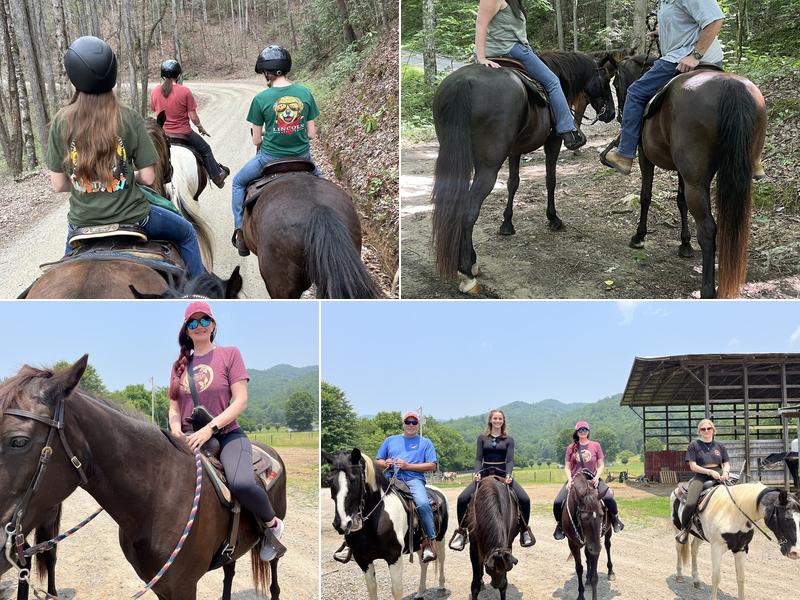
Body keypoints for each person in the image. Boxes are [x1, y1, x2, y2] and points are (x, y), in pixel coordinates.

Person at [45, 36, 205, 278]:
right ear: (112, 72)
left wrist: (84, 183)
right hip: (135, 219)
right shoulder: (128, 117)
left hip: (81, 226)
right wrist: (125, 178)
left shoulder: (60, 120)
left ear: (74, 75)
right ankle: (202, 292)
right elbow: (150, 178)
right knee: (186, 232)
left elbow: (58, 185)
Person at [168, 301, 284, 561]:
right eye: (193, 322)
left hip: (226, 434)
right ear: (186, 329)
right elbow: (174, 407)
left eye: (204, 320)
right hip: (187, 437)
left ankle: (271, 526)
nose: (199, 326)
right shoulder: (178, 366)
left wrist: (210, 429)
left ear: (213, 325)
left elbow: (240, 400)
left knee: (241, 483)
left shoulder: (230, 354)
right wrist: (175, 430)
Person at [602, 0, 725, 175]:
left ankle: (625, 154)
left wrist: (695, 55)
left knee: (635, 92)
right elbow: (686, 23)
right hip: (698, 56)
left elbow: (715, 20)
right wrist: (662, 33)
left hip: (683, 59)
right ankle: (753, 158)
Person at [230, 45, 322, 257]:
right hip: (303, 158)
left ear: (266, 72)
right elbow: (311, 135)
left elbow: (255, 140)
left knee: (237, 182)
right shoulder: (305, 92)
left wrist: (271, 133)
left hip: (268, 159)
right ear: (286, 67)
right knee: (326, 185)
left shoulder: (261, 99)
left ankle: (240, 231)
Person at [475, 0, 586, 151]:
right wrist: (481, 58)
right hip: (513, 50)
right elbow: (481, 23)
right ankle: (568, 130)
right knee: (553, 81)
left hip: (506, 48)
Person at [333, 410, 439, 563]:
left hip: (413, 480)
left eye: (414, 422)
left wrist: (408, 466)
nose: (410, 425)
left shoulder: (425, 443)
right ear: (403, 424)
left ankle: (428, 540)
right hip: (389, 478)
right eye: (407, 422)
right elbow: (378, 461)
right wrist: (386, 463)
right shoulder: (390, 440)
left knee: (422, 504)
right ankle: (350, 541)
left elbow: (432, 465)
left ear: (418, 424)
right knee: (362, 498)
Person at [449, 409, 535, 551]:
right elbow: (478, 458)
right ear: (490, 420)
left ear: (503, 421)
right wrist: (477, 473)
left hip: (503, 475)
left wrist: (508, 474)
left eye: (500, 419)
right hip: (484, 474)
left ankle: (524, 529)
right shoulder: (482, 438)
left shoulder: (509, 440)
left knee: (525, 499)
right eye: (495, 418)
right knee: (462, 498)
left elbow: (510, 460)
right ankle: (462, 532)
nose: (497, 421)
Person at [150, 59, 230, 188]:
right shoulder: (185, 91)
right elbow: (193, 117)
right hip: (184, 134)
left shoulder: (155, 91)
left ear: (163, 75)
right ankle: (217, 177)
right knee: (206, 150)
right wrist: (200, 128)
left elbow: (156, 113)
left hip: (164, 134)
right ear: (178, 75)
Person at [553, 421, 624, 539]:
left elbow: (601, 465)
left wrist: (596, 477)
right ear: (576, 432)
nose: (582, 432)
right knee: (558, 502)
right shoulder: (571, 448)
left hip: (592, 478)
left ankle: (615, 519)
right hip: (575, 479)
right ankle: (560, 525)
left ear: (588, 431)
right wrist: (569, 480)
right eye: (580, 430)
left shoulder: (596, 445)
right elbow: (567, 466)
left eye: (585, 429)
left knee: (608, 497)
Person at [675, 419, 731, 544]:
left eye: (709, 428)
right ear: (699, 431)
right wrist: (709, 472)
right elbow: (693, 466)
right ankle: (684, 529)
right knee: (690, 503)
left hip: (720, 474)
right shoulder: (694, 445)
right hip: (701, 475)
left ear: (713, 430)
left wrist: (726, 473)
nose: (706, 431)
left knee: (737, 497)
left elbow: (726, 463)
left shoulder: (720, 446)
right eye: (703, 429)